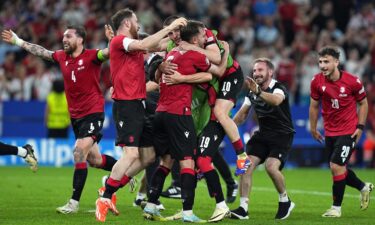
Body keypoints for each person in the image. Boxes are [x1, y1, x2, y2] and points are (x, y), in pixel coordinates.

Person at [1, 25, 118, 214]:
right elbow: (42, 52)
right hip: (76, 117)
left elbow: (108, 52)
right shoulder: (61, 57)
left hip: (93, 113)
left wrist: (112, 40)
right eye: (63, 36)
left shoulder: (91, 56)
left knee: (79, 152)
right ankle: (123, 173)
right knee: (95, 160)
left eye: (69, 36)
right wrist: (18, 41)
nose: (64, 39)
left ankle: (73, 203)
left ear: (80, 40)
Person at [94, 9, 187, 222]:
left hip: (139, 105)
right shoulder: (120, 41)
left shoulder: (132, 46)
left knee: (147, 157)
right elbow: (146, 45)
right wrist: (170, 27)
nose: (139, 24)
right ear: (127, 23)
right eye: (136, 21)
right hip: (126, 105)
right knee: (131, 155)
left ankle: (110, 186)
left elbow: (159, 45)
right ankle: (106, 195)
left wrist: (183, 41)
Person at [142, 20, 228, 223]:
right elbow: (215, 72)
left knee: (166, 161)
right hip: (179, 113)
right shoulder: (195, 54)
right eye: (203, 36)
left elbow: (157, 74)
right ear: (196, 39)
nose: (206, 39)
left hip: (160, 113)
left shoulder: (171, 54)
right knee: (188, 162)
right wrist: (225, 54)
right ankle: (188, 212)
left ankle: (151, 205)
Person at [159, 16, 239, 203]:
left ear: (185, 30)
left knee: (200, 145)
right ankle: (182, 188)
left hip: (216, 89)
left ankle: (238, 162)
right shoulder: (173, 47)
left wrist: (182, 76)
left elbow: (218, 65)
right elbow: (154, 46)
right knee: (199, 147)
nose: (172, 36)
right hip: (197, 96)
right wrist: (159, 66)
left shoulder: (204, 35)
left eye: (174, 31)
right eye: (169, 32)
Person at [309, 46, 374, 217]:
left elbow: (364, 103)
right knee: (340, 168)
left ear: (336, 62)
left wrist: (360, 127)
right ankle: (363, 187)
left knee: (336, 166)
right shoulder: (316, 81)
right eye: (320, 62)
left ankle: (336, 208)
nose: (322, 65)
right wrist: (313, 127)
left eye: (326, 62)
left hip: (348, 131)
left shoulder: (353, 81)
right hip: (330, 132)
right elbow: (314, 106)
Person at [230, 57, 296, 220]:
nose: (256, 73)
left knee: (271, 167)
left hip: (282, 135)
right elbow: (242, 115)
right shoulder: (251, 91)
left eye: (260, 70)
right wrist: (226, 125)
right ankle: (243, 209)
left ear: (270, 72)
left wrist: (258, 92)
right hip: (262, 135)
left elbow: (276, 101)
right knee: (244, 166)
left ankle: (285, 201)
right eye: (254, 71)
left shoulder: (278, 87)